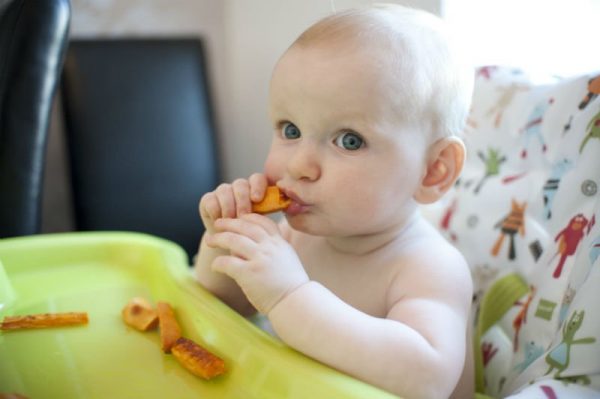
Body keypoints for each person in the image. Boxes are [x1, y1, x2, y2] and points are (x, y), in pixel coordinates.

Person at [194, 4, 474, 398]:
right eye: (290, 130)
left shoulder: (428, 266)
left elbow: (427, 378)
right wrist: (224, 240)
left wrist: (289, 296)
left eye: (349, 140)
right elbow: (223, 306)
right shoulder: (294, 238)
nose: (300, 165)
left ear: (433, 171)